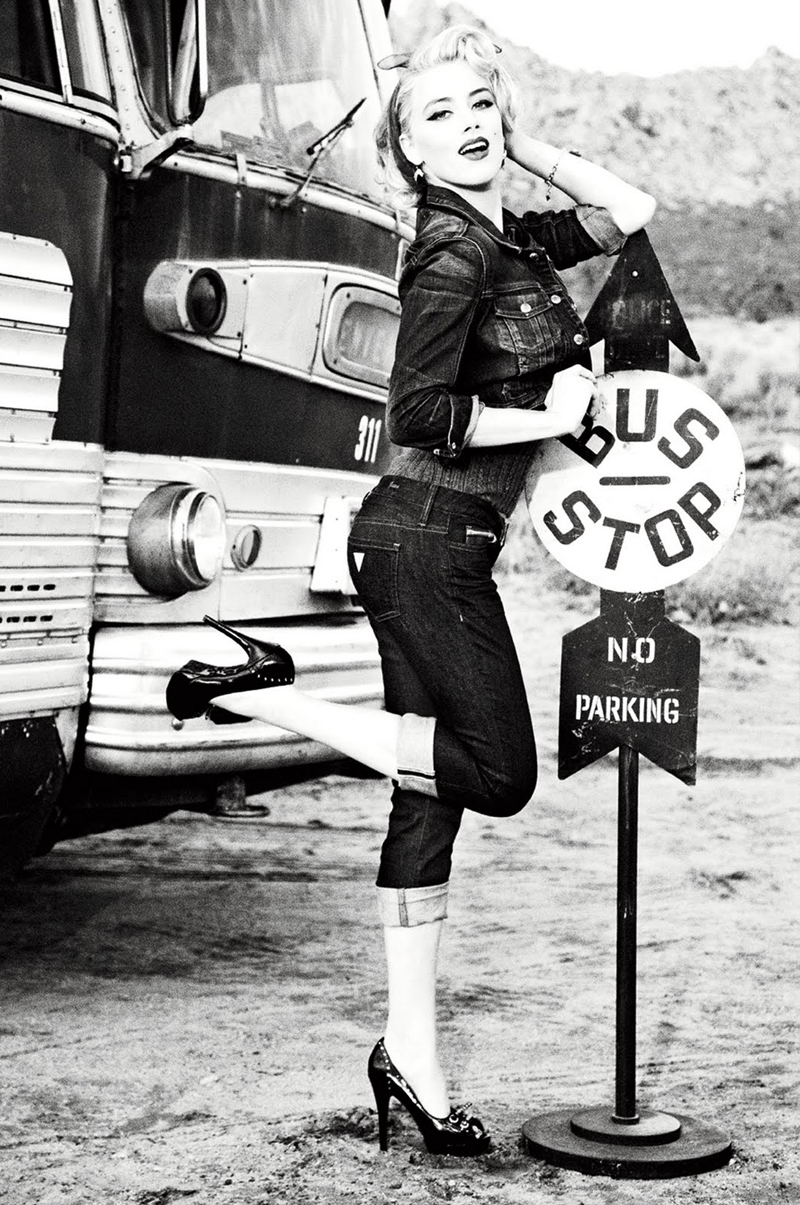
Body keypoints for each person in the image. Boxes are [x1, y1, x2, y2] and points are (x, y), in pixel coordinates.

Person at [165, 25, 656, 1157]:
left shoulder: (510, 235)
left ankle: (412, 1061)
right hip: (425, 540)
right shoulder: (450, 254)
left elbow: (628, 210)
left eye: (479, 103)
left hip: (434, 542)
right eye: (438, 115)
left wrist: (517, 147)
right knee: (500, 773)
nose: (467, 123)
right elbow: (417, 412)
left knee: (423, 801)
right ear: (409, 152)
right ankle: (261, 693)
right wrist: (550, 414)